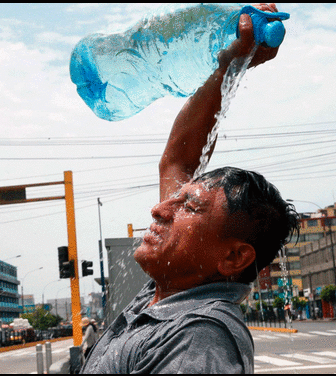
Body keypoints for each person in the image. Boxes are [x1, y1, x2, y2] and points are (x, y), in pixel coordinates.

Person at [81, 3, 298, 374]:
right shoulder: (169, 295)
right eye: (177, 199)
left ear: (232, 258)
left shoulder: (197, 338)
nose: (160, 209)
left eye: (190, 207)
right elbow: (178, 160)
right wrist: (230, 67)